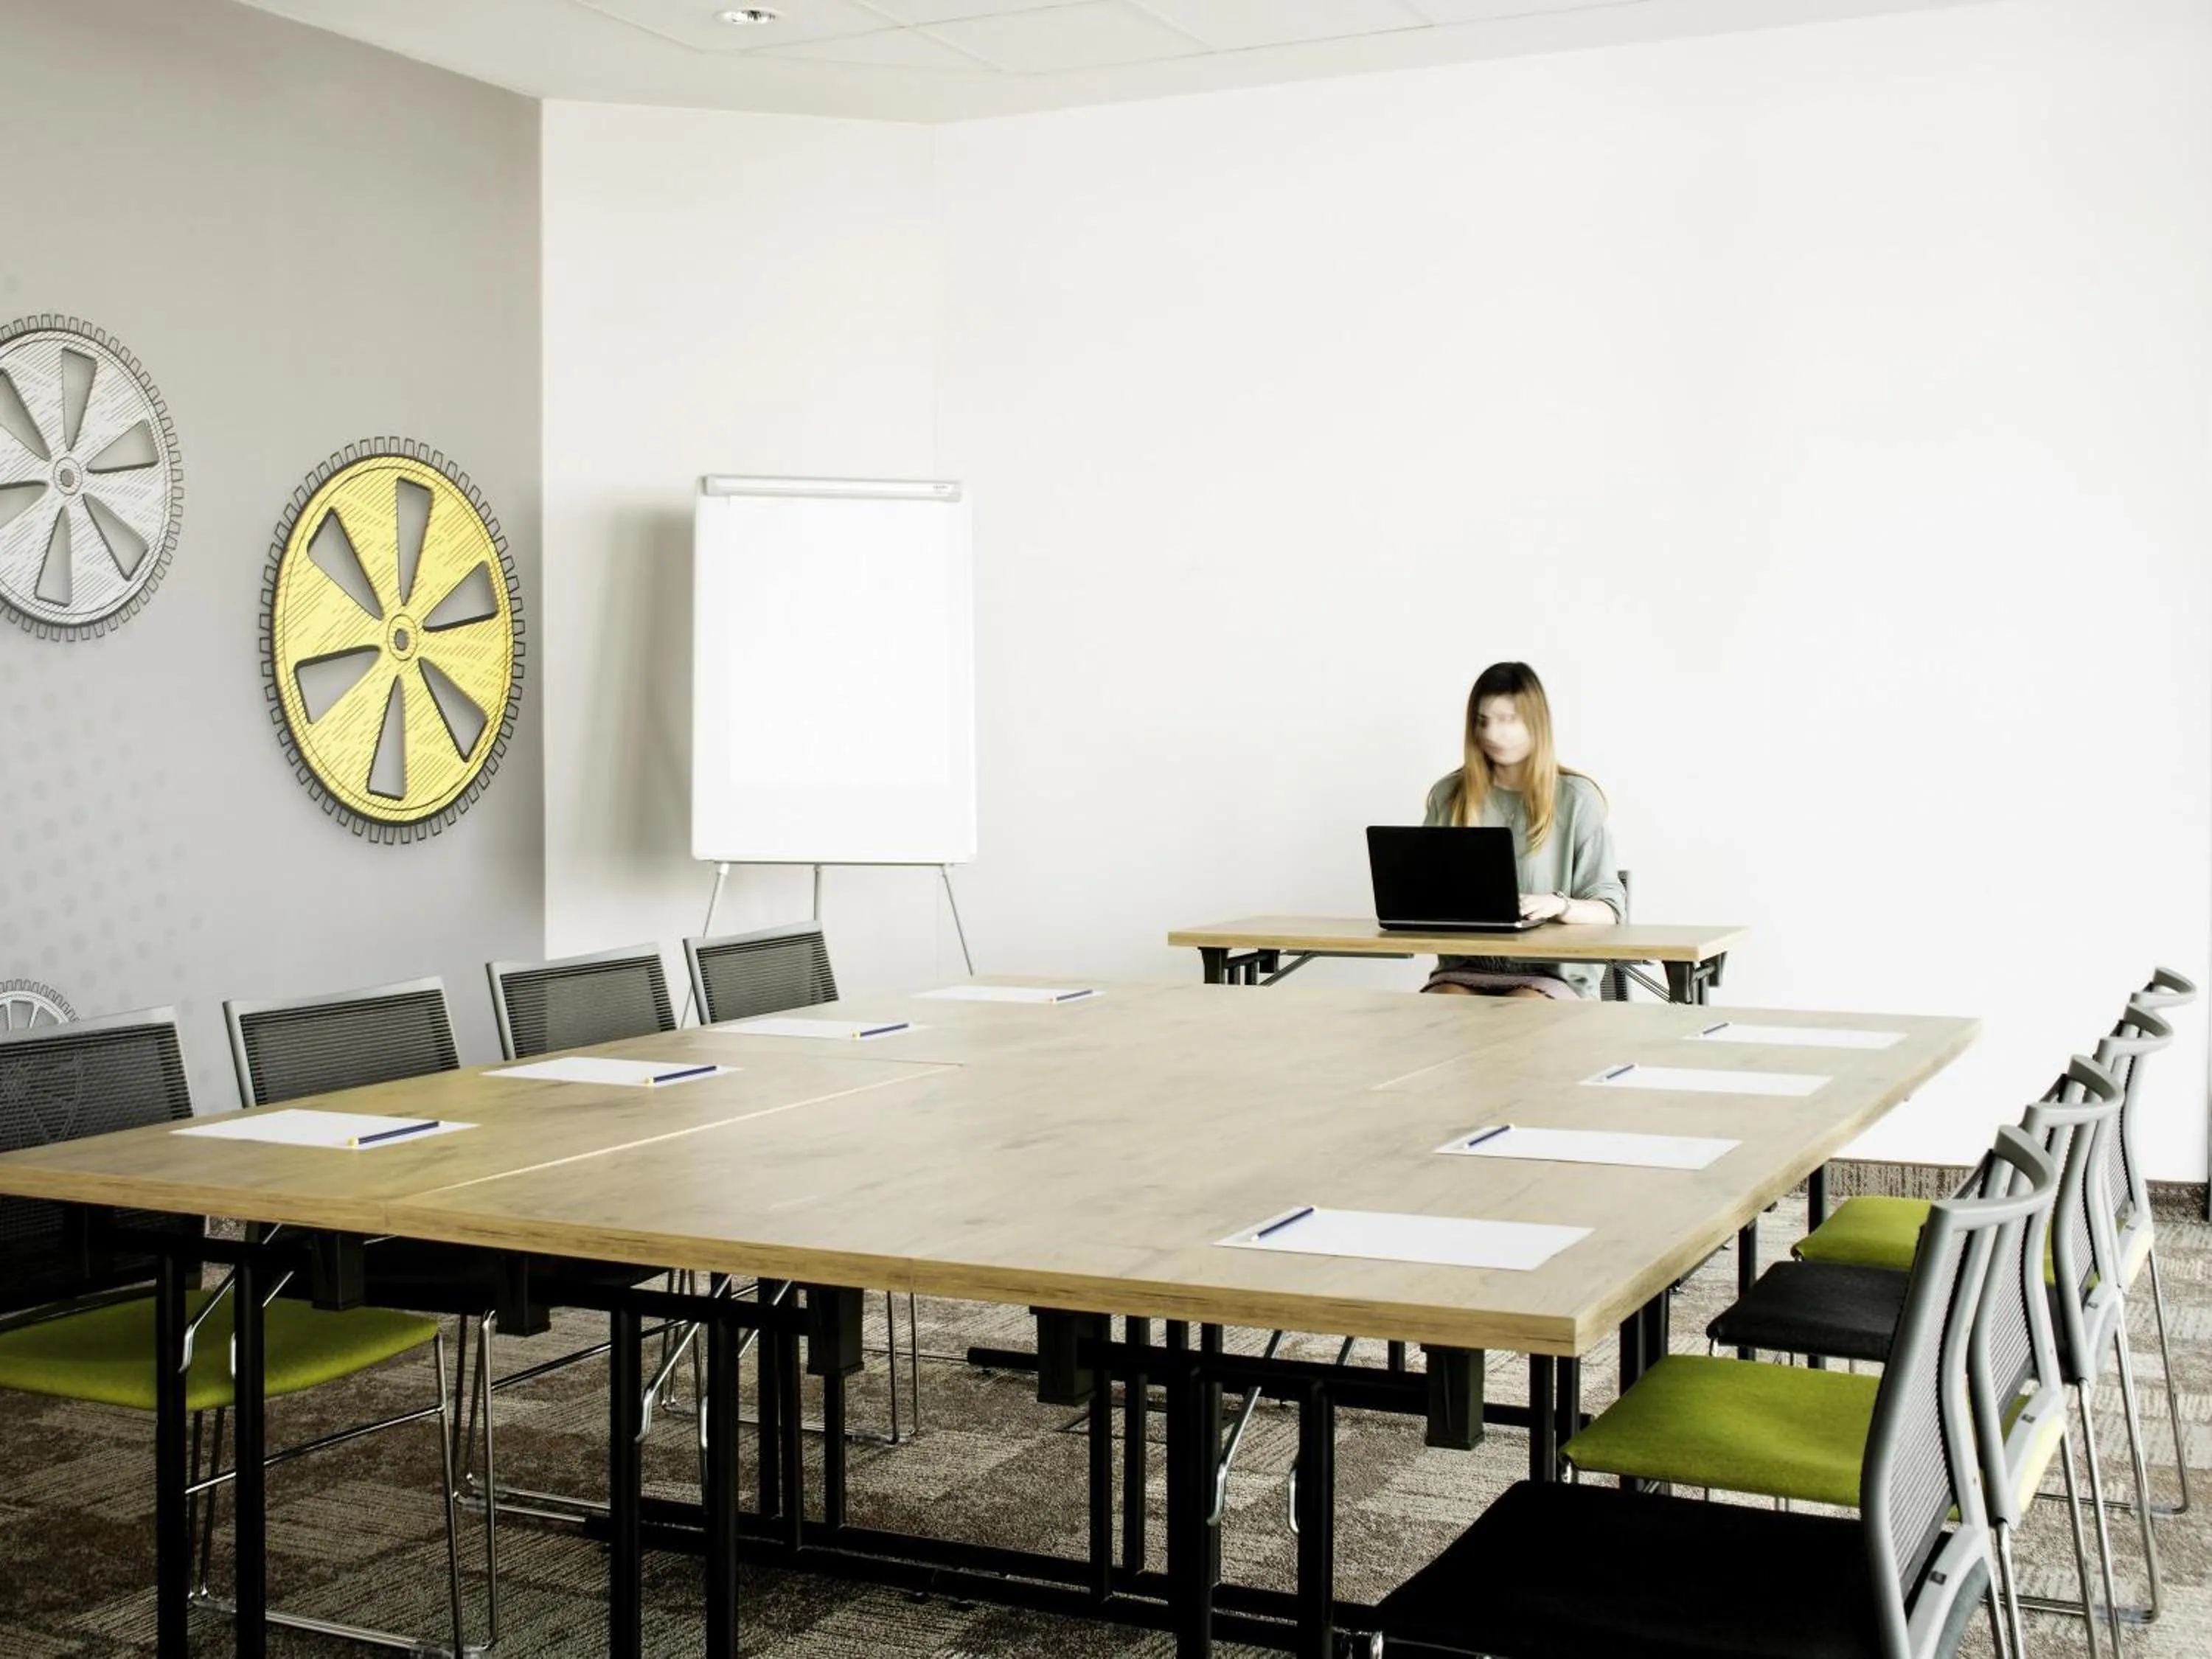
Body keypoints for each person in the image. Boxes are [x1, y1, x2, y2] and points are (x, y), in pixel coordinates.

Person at [1422, 661, 1624, 1000]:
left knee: (1520, 1013)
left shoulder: (1577, 799)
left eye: (1508, 720)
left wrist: (1559, 906)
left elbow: (1611, 910)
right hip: (1463, 970)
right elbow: (1422, 894)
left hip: (1550, 976)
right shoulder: (1449, 795)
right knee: (1441, 1012)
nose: (1492, 735)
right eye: (1483, 721)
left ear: (1536, 723)